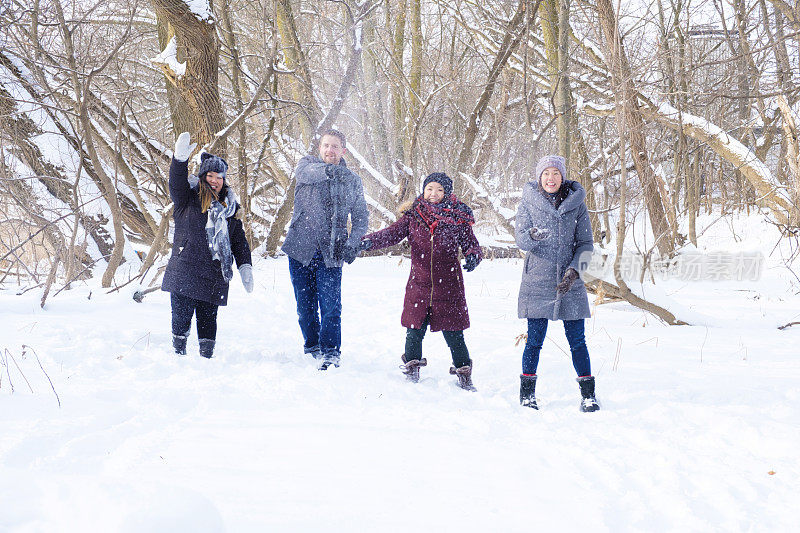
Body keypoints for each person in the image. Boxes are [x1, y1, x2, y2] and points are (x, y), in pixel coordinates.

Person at [361, 173, 482, 390]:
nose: (433, 194)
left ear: (447, 193)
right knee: (414, 330)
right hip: (420, 284)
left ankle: (464, 374)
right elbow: (391, 234)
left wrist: (473, 255)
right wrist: (367, 242)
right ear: (423, 190)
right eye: (429, 189)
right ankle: (412, 369)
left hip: (449, 286)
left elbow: (470, 242)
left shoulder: (458, 218)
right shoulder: (413, 216)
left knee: (454, 333)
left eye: (439, 190)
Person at [515, 155, 599, 411]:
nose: (550, 178)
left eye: (555, 173)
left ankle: (588, 395)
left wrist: (574, 271)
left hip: (569, 281)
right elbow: (521, 240)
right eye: (546, 173)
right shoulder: (528, 203)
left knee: (577, 340)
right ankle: (527, 395)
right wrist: (532, 235)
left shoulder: (577, 204)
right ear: (539, 177)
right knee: (534, 340)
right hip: (537, 281)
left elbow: (586, 245)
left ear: (562, 177)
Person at [282, 130, 369, 370]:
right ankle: (312, 347)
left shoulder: (352, 180)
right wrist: (329, 171)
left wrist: (353, 243)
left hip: (332, 250)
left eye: (335, 147)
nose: (329, 150)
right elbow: (304, 173)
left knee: (330, 305)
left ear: (343, 151)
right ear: (319, 148)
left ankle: (331, 351)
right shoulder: (307, 166)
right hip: (301, 248)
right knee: (305, 306)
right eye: (325, 146)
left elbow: (361, 218)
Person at [161, 132, 253, 358]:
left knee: (208, 320)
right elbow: (176, 182)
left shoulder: (230, 209)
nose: (215, 180)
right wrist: (179, 159)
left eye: (219, 177)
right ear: (203, 177)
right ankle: (178, 356)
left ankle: (207, 360)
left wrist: (245, 266)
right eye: (210, 175)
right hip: (185, 269)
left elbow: (238, 241)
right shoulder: (187, 198)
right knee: (180, 319)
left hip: (213, 274)